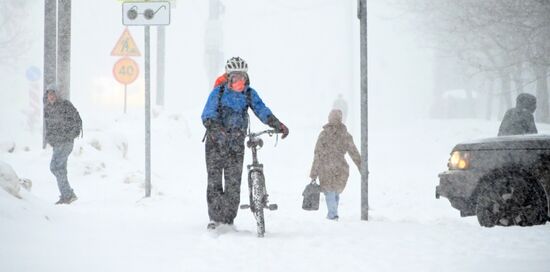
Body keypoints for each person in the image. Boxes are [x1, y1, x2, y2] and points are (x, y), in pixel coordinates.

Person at [201, 57, 289, 230]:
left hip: (236, 145)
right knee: (214, 182)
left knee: (234, 183)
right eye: (234, 77)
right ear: (228, 78)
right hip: (215, 145)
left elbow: (261, 109)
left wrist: (277, 124)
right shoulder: (218, 93)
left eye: (242, 77)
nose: (238, 81)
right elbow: (207, 115)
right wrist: (218, 132)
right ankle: (215, 218)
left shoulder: (249, 93)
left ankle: (228, 220)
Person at [309, 109, 360, 220]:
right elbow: (354, 153)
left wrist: (314, 174)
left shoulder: (324, 135)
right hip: (341, 167)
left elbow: (317, 154)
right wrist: (361, 167)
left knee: (330, 192)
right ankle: (333, 213)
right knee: (335, 192)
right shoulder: (345, 135)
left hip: (325, 167)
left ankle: (333, 214)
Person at [44, 86, 82, 204]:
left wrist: (69, 135)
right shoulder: (48, 108)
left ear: (58, 95)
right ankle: (67, 194)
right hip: (57, 143)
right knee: (60, 168)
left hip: (65, 142)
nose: (51, 96)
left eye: (53, 94)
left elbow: (77, 121)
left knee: (55, 167)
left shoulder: (65, 105)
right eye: (49, 94)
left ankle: (67, 194)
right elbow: (48, 126)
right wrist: (50, 138)